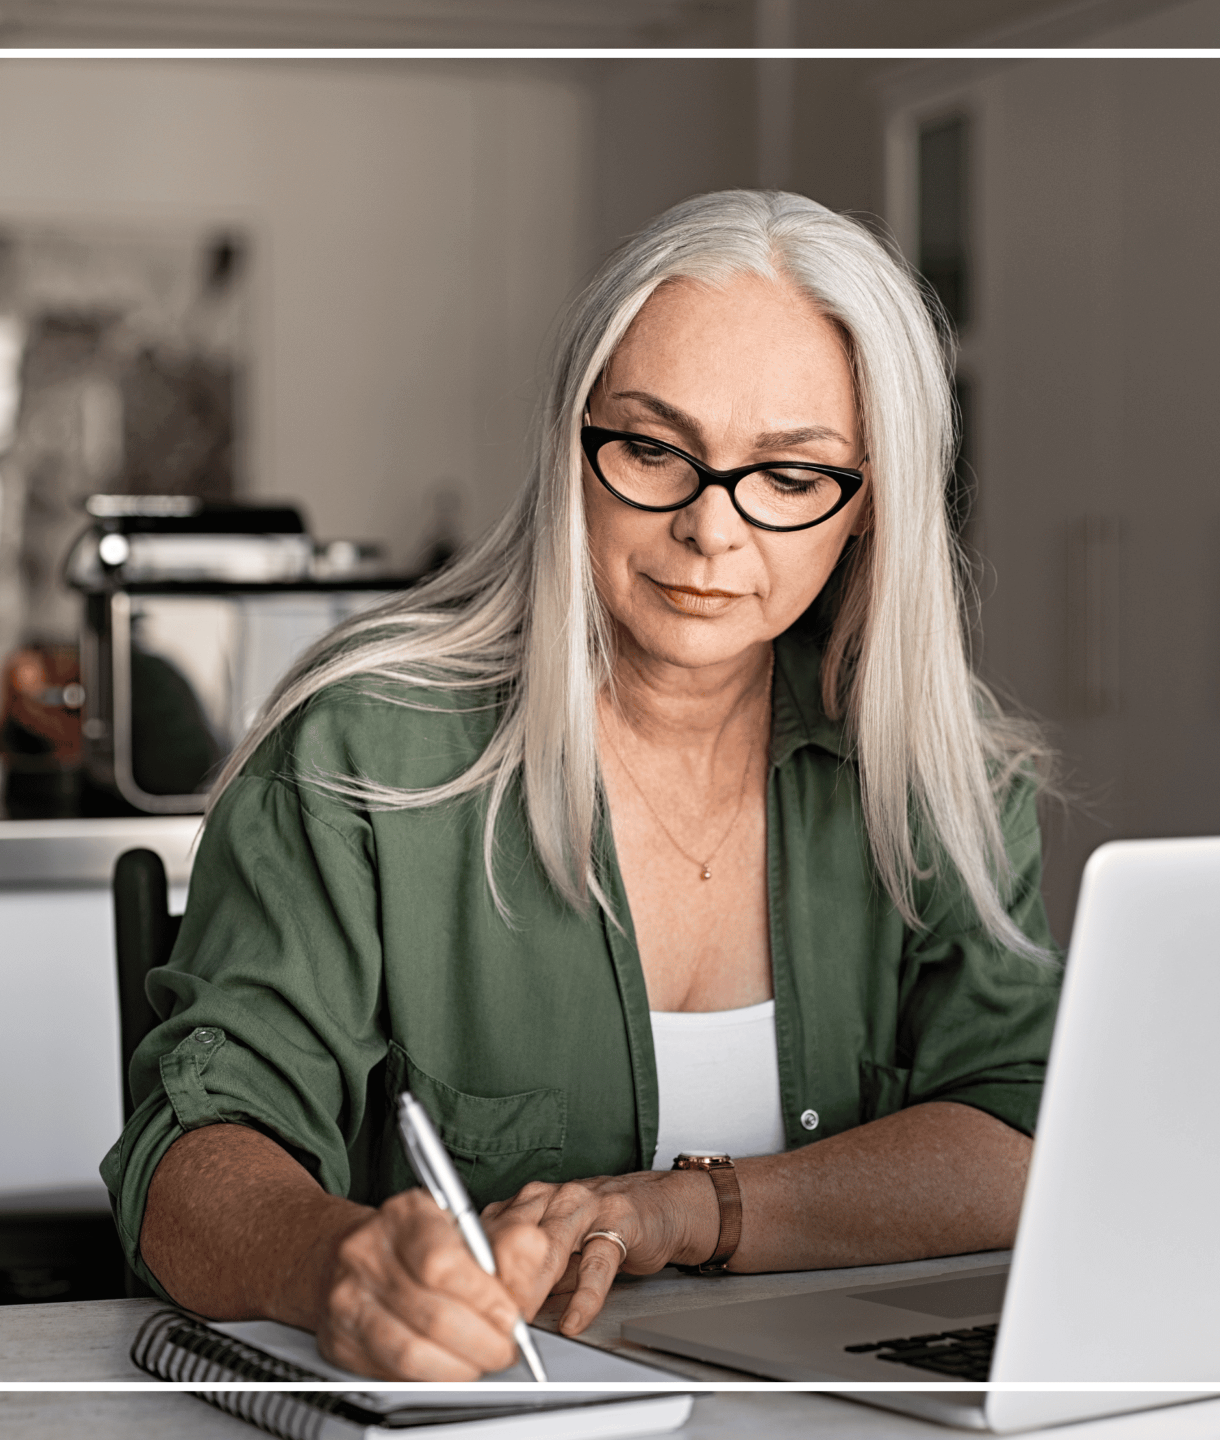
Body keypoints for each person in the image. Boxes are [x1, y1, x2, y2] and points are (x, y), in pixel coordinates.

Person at [98, 189, 1060, 1382]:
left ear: (869, 508)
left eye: (790, 474)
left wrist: (679, 1210)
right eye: (654, 449)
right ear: (572, 448)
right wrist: (328, 1263)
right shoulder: (361, 748)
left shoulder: (938, 769)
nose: (711, 530)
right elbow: (190, 1156)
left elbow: (1020, 1133)